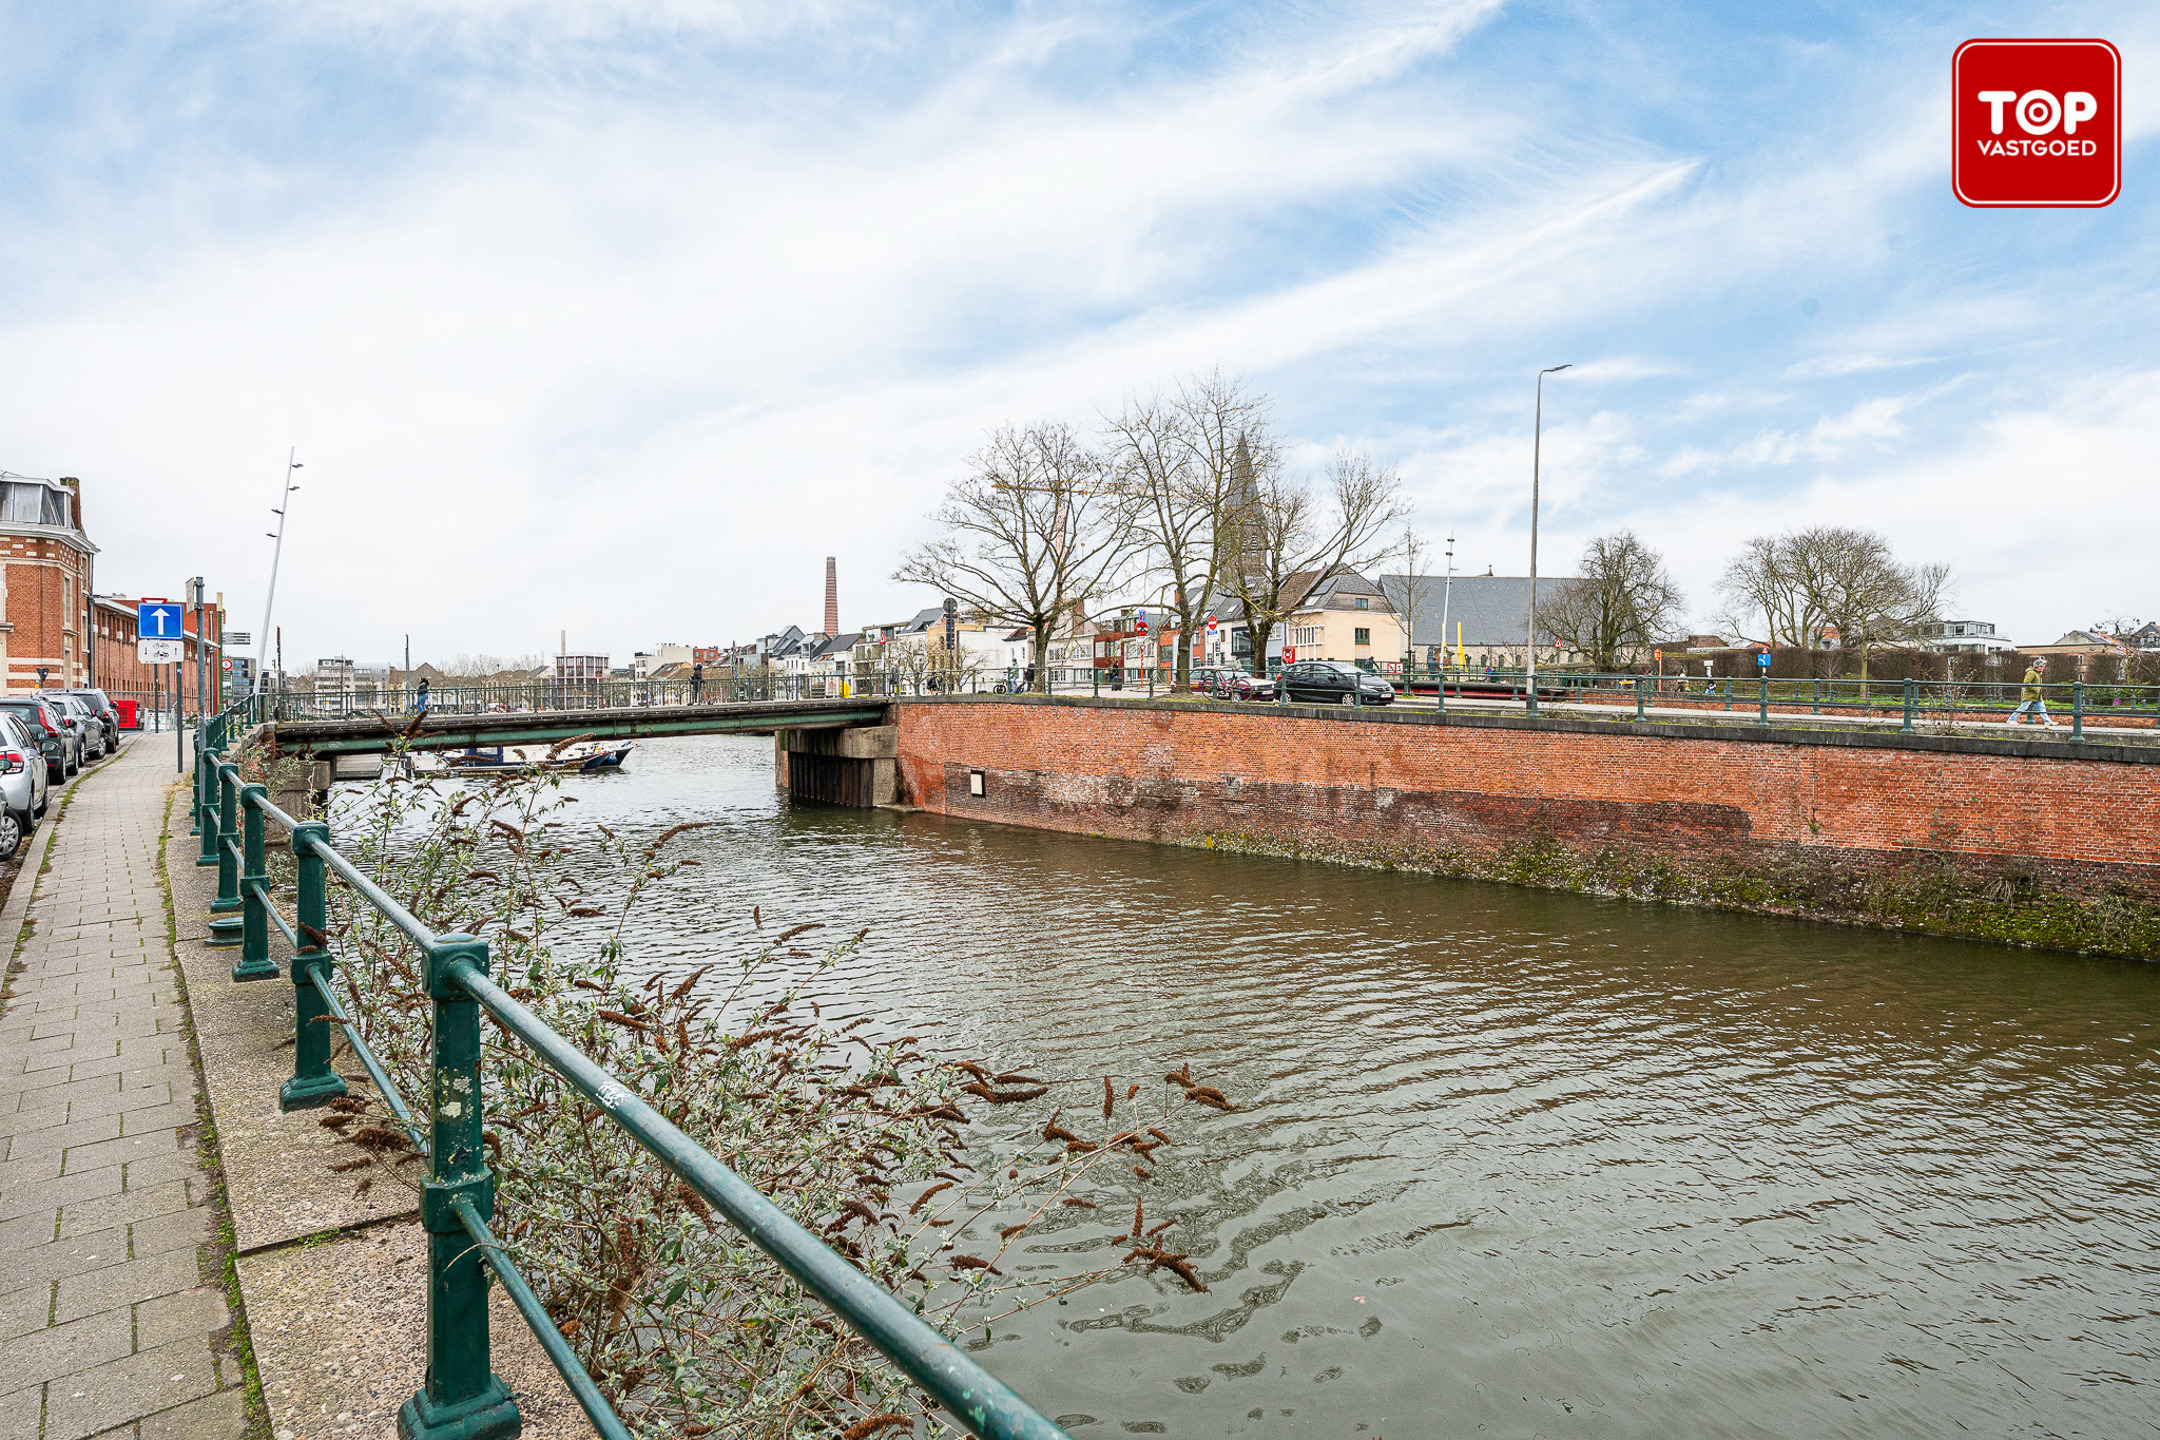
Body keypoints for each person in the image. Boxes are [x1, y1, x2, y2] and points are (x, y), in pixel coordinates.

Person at [2009, 657, 2057, 726]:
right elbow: (2026, 683)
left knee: (2042, 708)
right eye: (2043, 666)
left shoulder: (2037, 673)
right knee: (2023, 708)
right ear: (2039, 666)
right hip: (2030, 695)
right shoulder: (2031, 673)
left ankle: (2047, 721)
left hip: (2036, 696)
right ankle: (2011, 719)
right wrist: (2036, 689)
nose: (2044, 668)